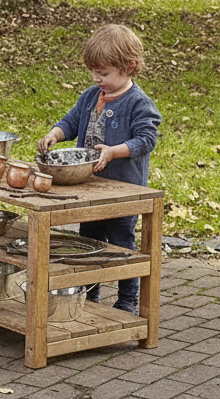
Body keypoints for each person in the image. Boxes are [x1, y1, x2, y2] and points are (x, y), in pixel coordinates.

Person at [38, 24, 161, 314]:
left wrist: (114, 151)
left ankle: (127, 298)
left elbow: (146, 140)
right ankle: (89, 294)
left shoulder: (138, 104)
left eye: (103, 73)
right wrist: (55, 134)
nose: (97, 78)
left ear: (128, 67)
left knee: (122, 246)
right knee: (88, 243)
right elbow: (71, 120)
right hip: (88, 189)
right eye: (93, 72)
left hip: (122, 192)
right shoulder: (91, 96)